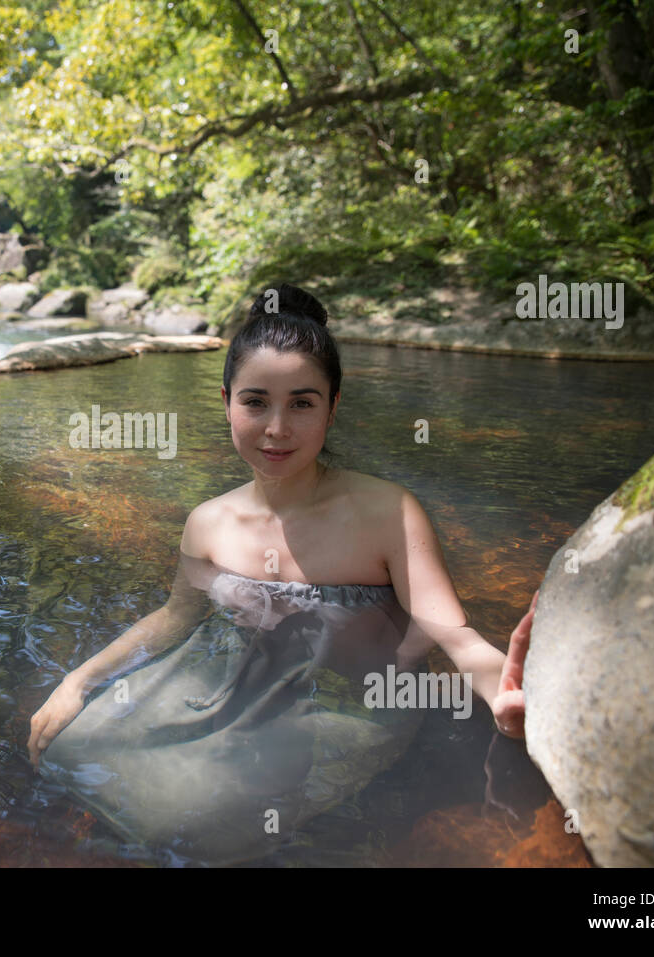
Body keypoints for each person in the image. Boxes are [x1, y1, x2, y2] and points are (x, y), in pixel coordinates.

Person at [28, 282, 536, 863]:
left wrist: (508, 693)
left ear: (333, 406)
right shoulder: (208, 522)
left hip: (346, 702)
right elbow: (174, 620)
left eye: (301, 403)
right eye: (255, 402)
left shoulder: (388, 513)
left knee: (209, 817)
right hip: (230, 681)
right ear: (226, 402)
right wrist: (79, 682)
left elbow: (455, 637)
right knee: (75, 744)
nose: (276, 429)